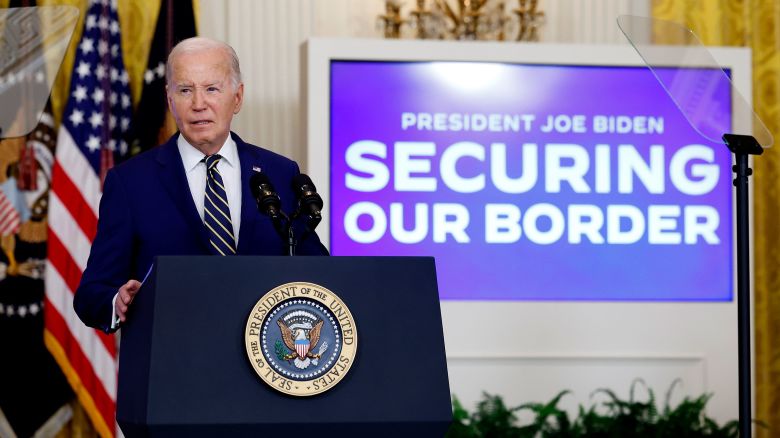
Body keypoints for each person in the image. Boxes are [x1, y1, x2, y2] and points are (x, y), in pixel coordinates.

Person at [73, 37, 328, 333]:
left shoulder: (280, 173)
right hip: (173, 364)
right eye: (185, 90)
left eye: (211, 89)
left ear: (237, 97)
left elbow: (318, 272)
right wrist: (117, 300)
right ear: (170, 100)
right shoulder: (131, 182)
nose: (198, 104)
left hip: (267, 363)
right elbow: (91, 294)